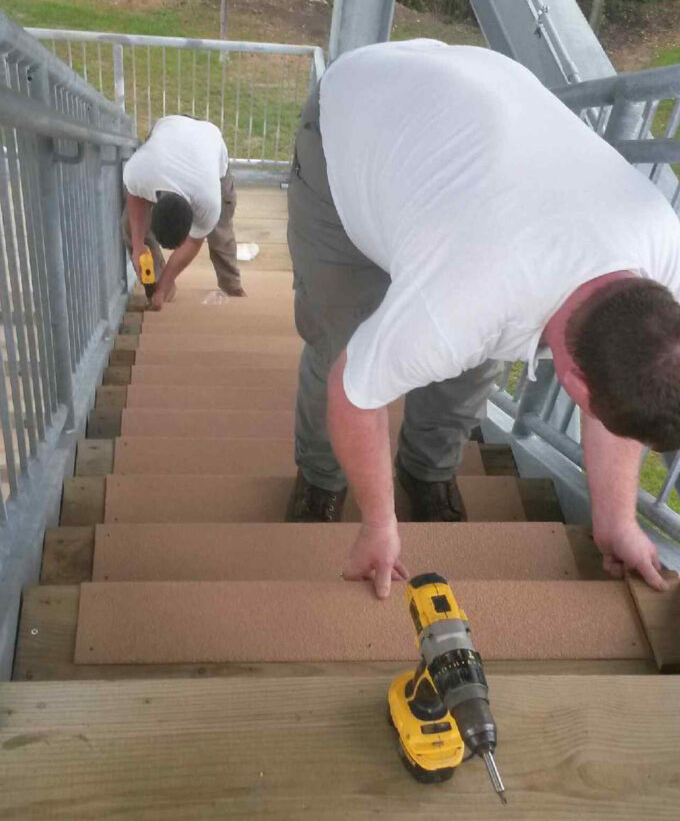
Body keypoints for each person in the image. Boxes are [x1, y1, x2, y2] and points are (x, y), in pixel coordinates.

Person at [287, 38, 680, 598]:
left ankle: (426, 471)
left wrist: (617, 519)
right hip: (354, 124)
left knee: (470, 364)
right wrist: (378, 525)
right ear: (571, 383)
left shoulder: (663, 244)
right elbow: (353, 394)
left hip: (470, 129)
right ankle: (321, 480)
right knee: (339, 342)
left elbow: (643, 371)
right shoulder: (460, 303)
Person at [122, 115, 245, 310]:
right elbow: (135, 197)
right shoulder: (138, 172)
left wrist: (167, 281)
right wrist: (138, 246)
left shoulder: (208, 201)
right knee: (130, 226)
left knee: (220, 227)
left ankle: (231, 285)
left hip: (208, 138)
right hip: (169, 127)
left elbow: (194, 241)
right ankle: (154, 286)